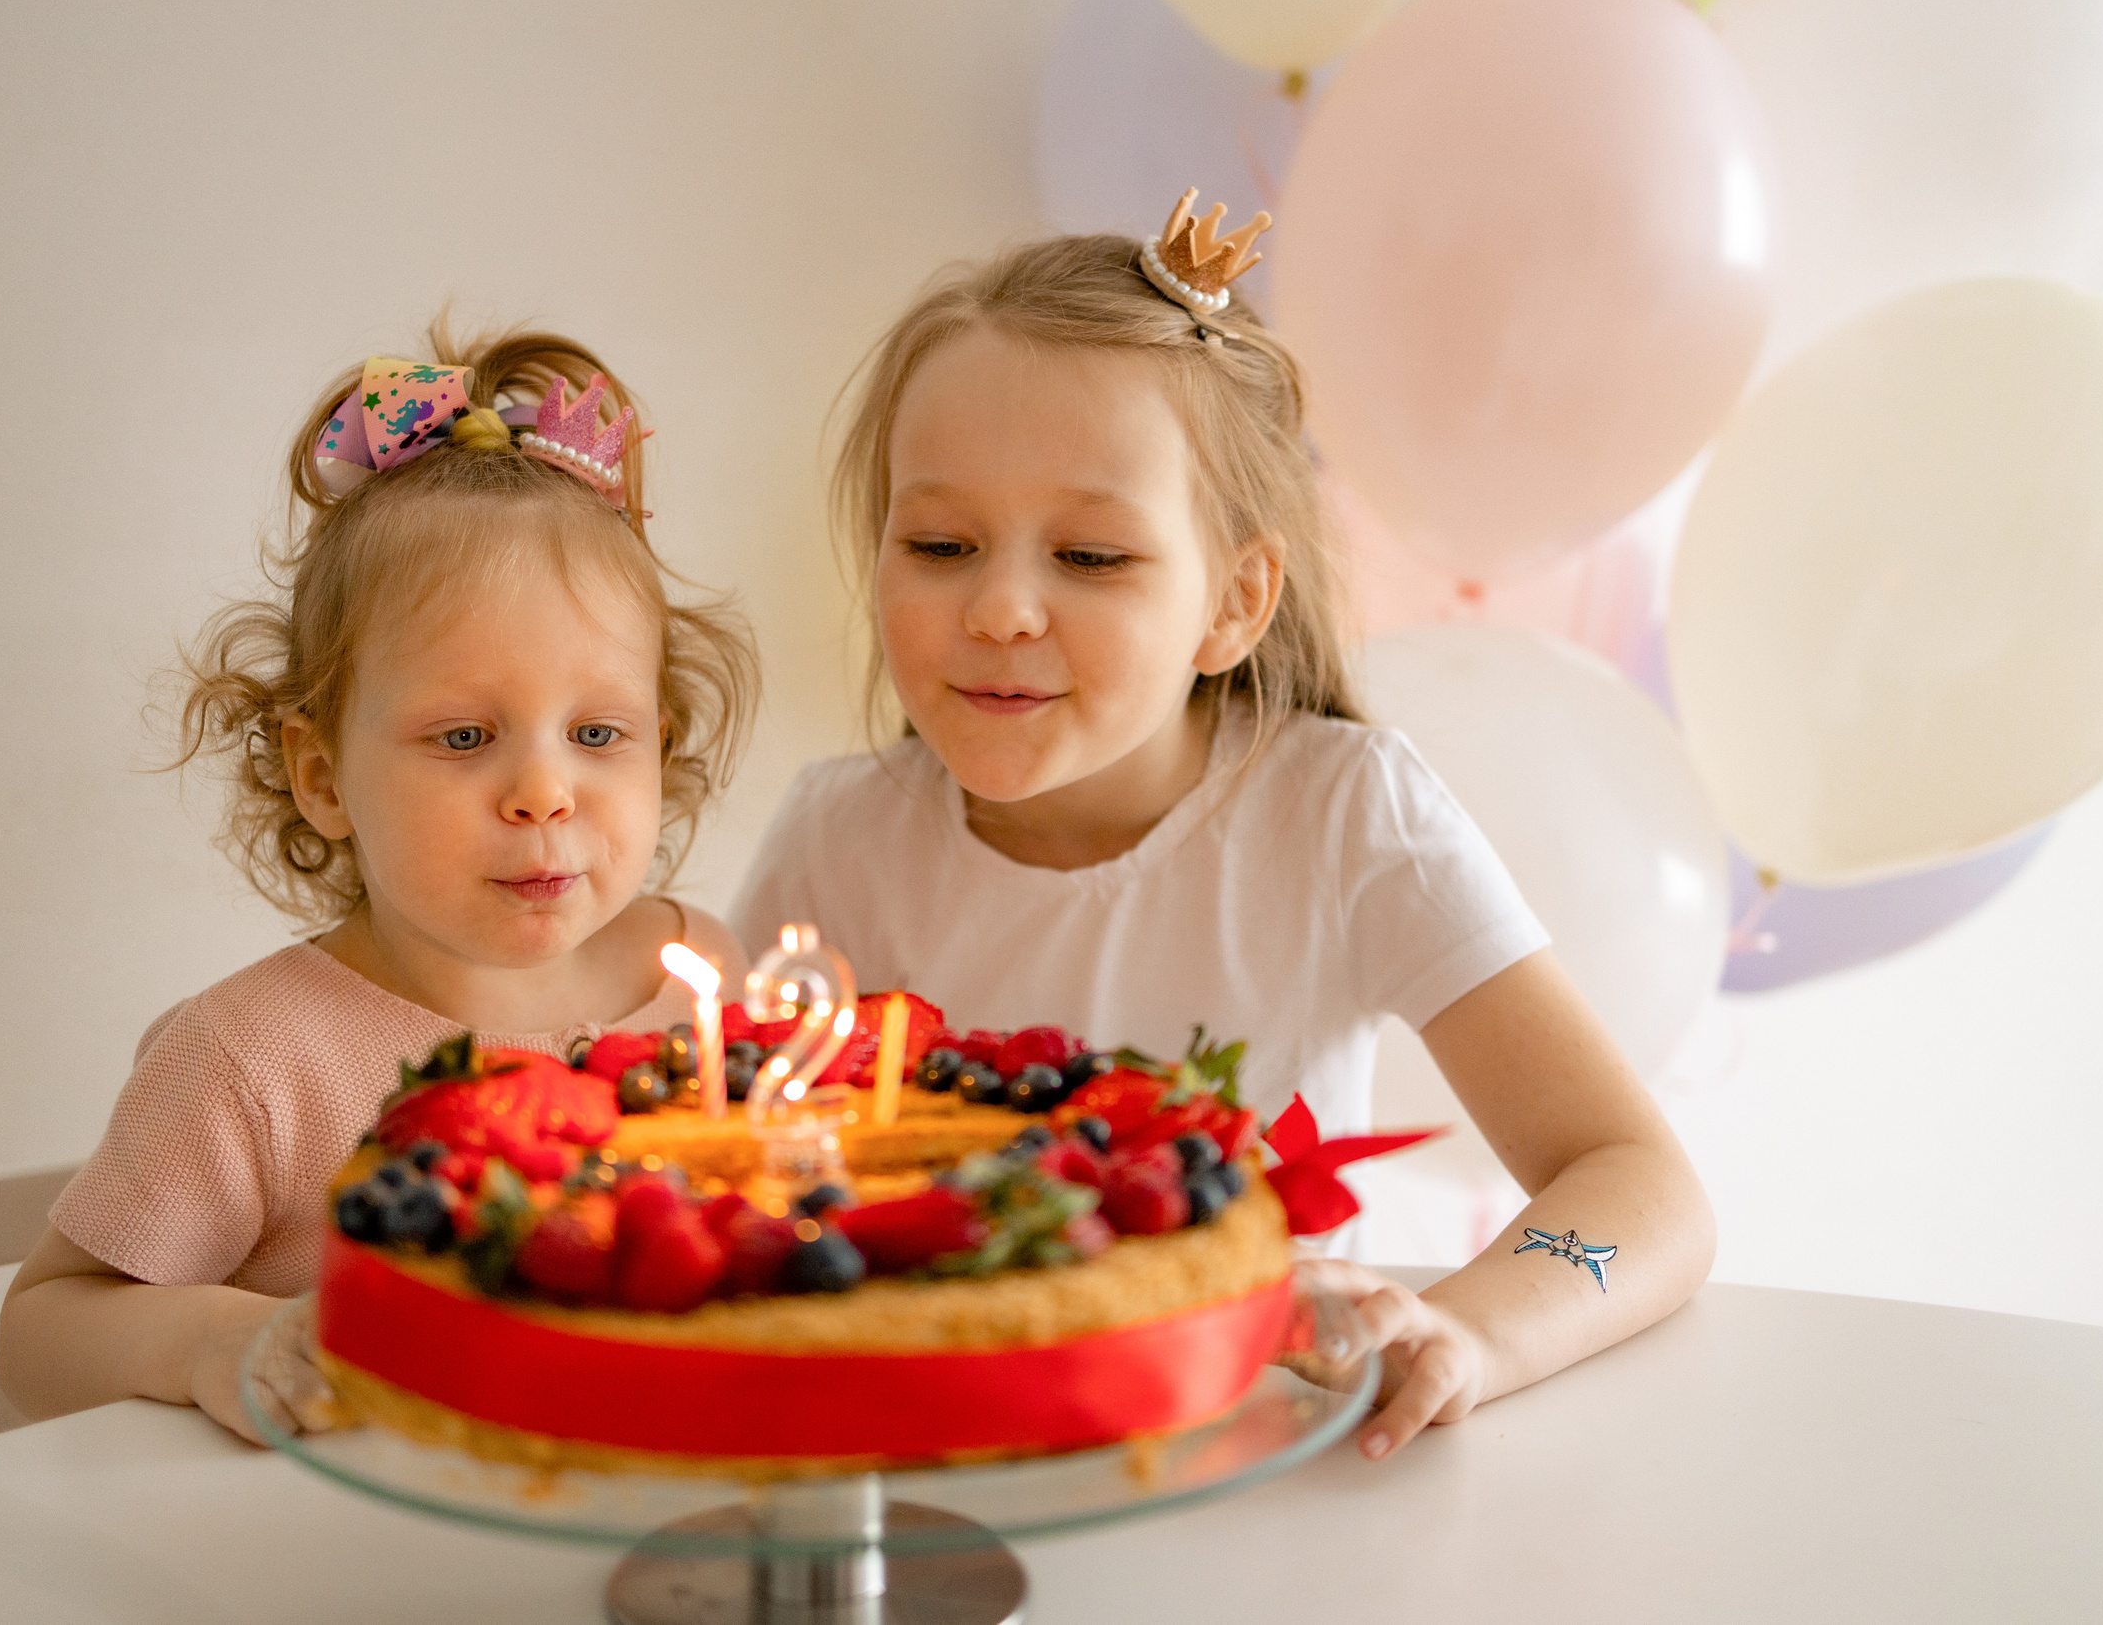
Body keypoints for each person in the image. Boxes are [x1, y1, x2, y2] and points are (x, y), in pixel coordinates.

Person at [732, 198, 1713, 1461]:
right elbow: (717, 1175)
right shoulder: (838, 843)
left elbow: (1641, 1187)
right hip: (943, 1480)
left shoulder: (1342, 817)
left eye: (1091, 556)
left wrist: (1468, 1334)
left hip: (1258, 1483)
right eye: (939, 543)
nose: (1000, 608)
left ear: (1234, 603)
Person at [0, 326, 758, 1441]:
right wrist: (213, 1340)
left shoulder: (694, 980)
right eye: (464, 736)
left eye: (598, 733)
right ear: (322, 777)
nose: (544, 793)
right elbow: (39, 1334)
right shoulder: (252, 1062)